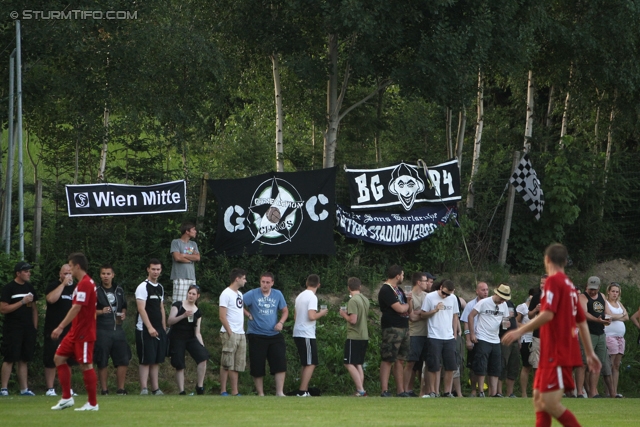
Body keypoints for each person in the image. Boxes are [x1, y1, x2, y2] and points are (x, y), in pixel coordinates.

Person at [503, 243, 601, 427]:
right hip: (556, 350)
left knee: (550, 403)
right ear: (565, 261)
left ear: (546, 260)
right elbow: (581, 322)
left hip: (557, 352)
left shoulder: (553, 282)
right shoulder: (571, 287)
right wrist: (589, 352)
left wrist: (519, 330)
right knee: (539, 400)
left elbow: (548, 313)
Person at [51, 252, 99, 411]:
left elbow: (77, 307)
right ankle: (66, 398)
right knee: (59, 358)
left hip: (84, 332)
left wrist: (60, 326)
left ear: (77, 266)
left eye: (71, 266)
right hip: (75, 331)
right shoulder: (82, 283)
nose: (69, 270)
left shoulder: (85, 283)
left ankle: (92, 403)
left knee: (86, 365)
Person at [243, 272, 288, 396]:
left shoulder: (277, 294)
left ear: (272, 283)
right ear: (260, 282)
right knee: (257, 364)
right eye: (263, 282)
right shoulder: (252, 293)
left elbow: (285, 311)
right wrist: (248, 314)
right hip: (256, 334)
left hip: (274, 334)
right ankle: (260, 393)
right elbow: (237, 303)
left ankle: (280, 392)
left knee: (280, 361)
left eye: (268, 282)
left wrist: (281, 322)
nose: (265, 285)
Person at [0, 261, 39, 396]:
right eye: (26, 271)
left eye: (29, 271)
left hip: (27, 328)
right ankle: (4, 388)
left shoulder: (30, 287)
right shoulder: (9, 288)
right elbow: (3, 309)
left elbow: (34, 309)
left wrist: (34, 327)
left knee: (24, 358)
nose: (29, 273)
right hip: (13, 328)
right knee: (10, 357)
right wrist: (22, 301)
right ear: (18, 273)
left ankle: (24, 389)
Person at [468, 284, 511, 397]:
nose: (502, 301)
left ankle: (494, 393)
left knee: (495, 367)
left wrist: (506, 324)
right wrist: (472, 334)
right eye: (501, 298)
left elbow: (505, 320)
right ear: (497, 294)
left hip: (495, 338)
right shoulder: (484, 302)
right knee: (481, 365)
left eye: (504, 299)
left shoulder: (504, 305)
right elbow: (471, 316)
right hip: (482, 337)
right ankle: (481, 391)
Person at [95, 265, 131, 396]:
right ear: (100, 275)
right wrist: (101, 311)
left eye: (108, 273)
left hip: (118, 328)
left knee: (123, 359)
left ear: (113, 275)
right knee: (102, 360)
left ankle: (121, 389)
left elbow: (124, 306)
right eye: (103, 273)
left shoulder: (119, 290)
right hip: (102, 329)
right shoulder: (96, 291)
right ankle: (104, 390)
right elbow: (87, 312)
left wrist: (123, 314)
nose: (105, 276)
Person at [167, 284, 209, 395]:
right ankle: (181, 390)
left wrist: (202, 346)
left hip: (190, 338)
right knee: (179, 364)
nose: (191, 296)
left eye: (193, 294)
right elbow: (170, 321)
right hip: (177, 337)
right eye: (189, 293)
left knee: (203, 358)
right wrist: (183, 316)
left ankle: (199, 386)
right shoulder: (178, 305)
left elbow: (197, 332)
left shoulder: (197, 311)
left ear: (198, 296)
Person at [420, 279, 459, 398]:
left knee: (450, 366)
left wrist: (455, 334)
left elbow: (455, 315)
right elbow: (422, 314)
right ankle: (432, 391)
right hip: (434, 335)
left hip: (449, 336)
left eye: (448, 294)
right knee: (433, 365)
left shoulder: (453, 298)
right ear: (441, 287)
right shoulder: (430, 297)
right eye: (444, 293)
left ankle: (447, 391)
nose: (446, 296)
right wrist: (435, 310)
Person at [377, 265, 411, 397]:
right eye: (402, 275)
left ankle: (400, 390)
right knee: (388, 358)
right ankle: (384, 390)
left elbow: (409, 309)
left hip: (404, 326)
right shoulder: (386, 290)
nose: (403, 277)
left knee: (400, 359)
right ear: (397, 276)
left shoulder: (400, 290)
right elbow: (400, 309)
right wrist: (407, 305)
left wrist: (409, 301)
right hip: (392, 327)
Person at [135, 259, 167, 396]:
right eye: (153, 269)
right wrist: (149, 327)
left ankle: (155, 388)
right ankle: (144, 389)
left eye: (158, 269)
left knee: (156, 359)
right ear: (148, 269)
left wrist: (163, 328)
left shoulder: (160, 287)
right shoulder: (142, 287)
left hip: (158, 329)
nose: (155, 272)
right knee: (146, 359)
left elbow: (161, 308)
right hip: (144, 329)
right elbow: (141, 309)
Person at [43, 264, 76, 396]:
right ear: (60, 274)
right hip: (53, 329)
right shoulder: (53, 286)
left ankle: (67, 388)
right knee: (51, 359)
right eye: (65, 273)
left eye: (70, 273)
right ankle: (50, 389)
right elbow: (51, 299)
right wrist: (63, 285)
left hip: (70, 330)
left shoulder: (76, 288)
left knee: (68, 360)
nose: (68, 276)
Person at [293, 274, 328, 397]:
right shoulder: (312, 297)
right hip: (306, 333)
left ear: (306, 283)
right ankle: (302, 391)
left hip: (298, 332)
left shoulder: (299, 296)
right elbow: (312, 316)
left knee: (306, 362)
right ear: (318, 285)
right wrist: (322, 313)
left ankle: (304, 389)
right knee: (311, 363)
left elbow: (295, 316)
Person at [578, 276, 612, 398]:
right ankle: (580, 392)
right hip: (587, 333)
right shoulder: (582, 297)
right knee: (583, 363)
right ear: (587, 286)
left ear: (599, 287)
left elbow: (607, 311)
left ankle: (593, 392)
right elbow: (584, 313)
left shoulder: (602, 296)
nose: (592, 291)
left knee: (598, 363)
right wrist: (597, 320)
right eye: (590, 289)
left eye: (595, 289)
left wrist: (608, 318)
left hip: (600, 333)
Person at [339, 277, 370, 397]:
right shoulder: (365, 299)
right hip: (364, 335)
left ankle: (361, 390)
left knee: (348, 363)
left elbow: (353, 320)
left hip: (354, 336)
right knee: (358, 364)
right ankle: (360, 391)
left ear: (348, 288)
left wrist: (343, 314)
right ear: (360, 287)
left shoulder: (353, 301)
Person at [219, 268, 247, 396]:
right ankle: (223, 390)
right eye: (244, 278)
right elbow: (222, 316)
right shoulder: (226, 294)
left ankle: (235, 391)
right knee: (226, 362)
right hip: (230, 332)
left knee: (237, 364)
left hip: (240, 332)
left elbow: (239, 311)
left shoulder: (239, 294)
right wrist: (230, 332)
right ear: (237, 278)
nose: (245, 281)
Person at [403, 272, 429, 397]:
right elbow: (412, 317)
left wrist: (420, 313)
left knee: (425, 364)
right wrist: (422, 314)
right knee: (411, 362)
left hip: (427, 334)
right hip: (414, 333)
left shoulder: (427, 296)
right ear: (419, 282)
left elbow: (428, 314)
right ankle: (405, 389)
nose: (427, 283)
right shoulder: (409, 296)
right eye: (425, 281)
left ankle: (424, 391)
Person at [461, 281, 489, 397]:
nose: (486, 292)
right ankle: (473, 390)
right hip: (475, 339)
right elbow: (466, 323)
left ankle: (485, 390)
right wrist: (468, 339)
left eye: (487, 289)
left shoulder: (490, 303)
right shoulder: (470, 305)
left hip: (487, 338)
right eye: (483, 290)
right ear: (477, 291)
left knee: (485, 365)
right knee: (473, 366)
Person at [604, 282, 629, 398]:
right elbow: (609, 316)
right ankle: (608, 391)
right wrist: (620, 316)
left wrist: (618, 316)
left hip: (620, 338)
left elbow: (627, 317)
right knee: (609, 363)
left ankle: (614, 390)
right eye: (613, 291)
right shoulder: (606, 303)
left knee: (616, 365)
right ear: (608, 291)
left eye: (617, 291)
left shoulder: (619, 303)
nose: (615, 293)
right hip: (610, 336)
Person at [170, 222, 200, 302]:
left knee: (191, 303)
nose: (195, 231)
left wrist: (183, 255)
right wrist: (191, 259)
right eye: (193, 229)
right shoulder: (176, 242)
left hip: (192, 277)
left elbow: (197, 257)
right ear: (187, 231)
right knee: (179, 304)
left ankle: (189, 315)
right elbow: (177, 258)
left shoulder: (193, 244)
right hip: (180, 277)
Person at [498, 293, 519, 398]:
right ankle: (499, 392)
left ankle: (510, 392)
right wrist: (505, 318)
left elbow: (515, 319)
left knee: (513, 365)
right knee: (502, 364)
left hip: (514, 339)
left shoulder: (510, 303)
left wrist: (518, 335)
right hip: (503, 338)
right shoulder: (497, 304)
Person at [516, 288, 536, 397]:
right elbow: (515, 321)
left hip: (538, 338)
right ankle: (524, 393)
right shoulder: (523, 307)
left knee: (537, 367)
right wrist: (526, 327)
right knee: (526, 366)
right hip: (526, 339)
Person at [527, 274, 547, 372]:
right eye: (541, 283)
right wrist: (535, 309)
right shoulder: (536, 297)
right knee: (537, 364)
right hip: (538, 335)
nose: (542, 285)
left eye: (545, 283)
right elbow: (529, 315)